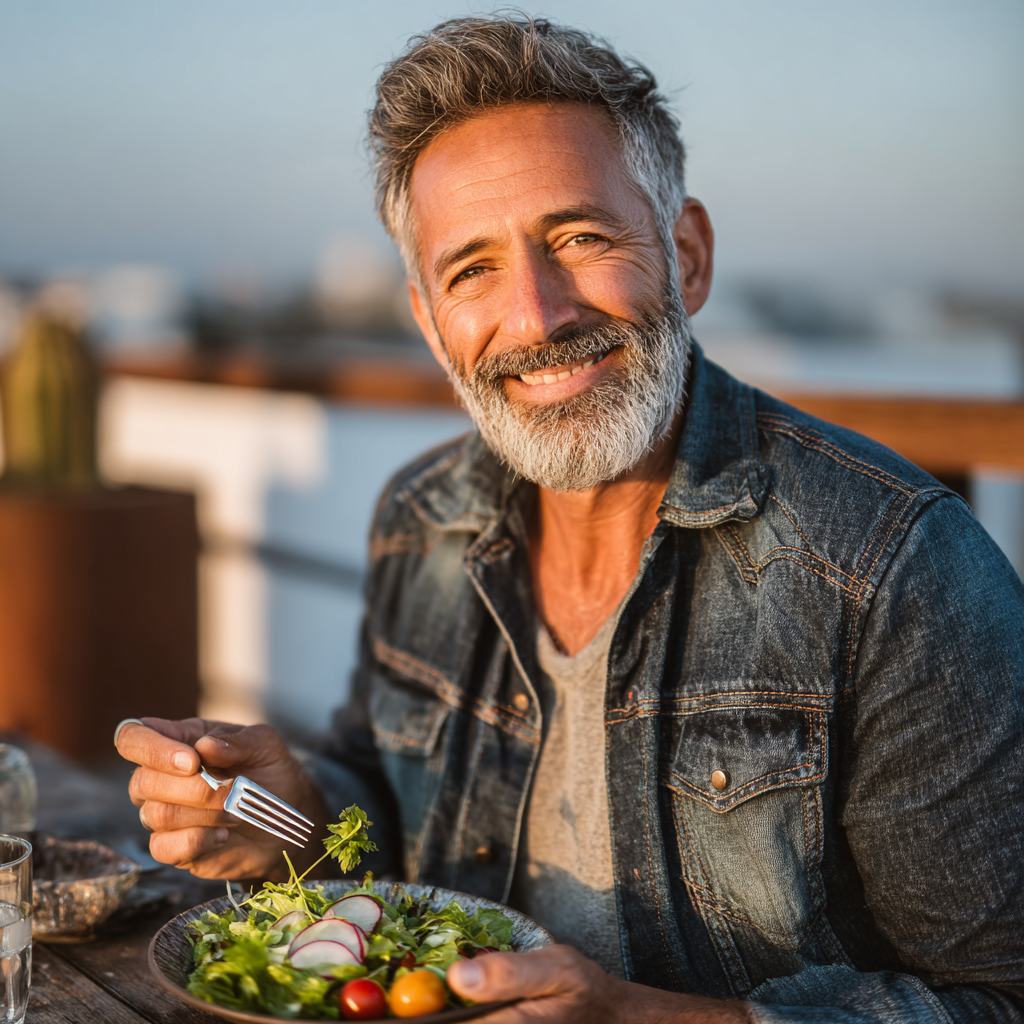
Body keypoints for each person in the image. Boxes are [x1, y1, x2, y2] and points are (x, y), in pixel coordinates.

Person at [116, 16, 1023, 1023]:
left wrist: (635, 1017)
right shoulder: (417, 520)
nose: (538, 315)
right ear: (429, 323)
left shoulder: (894, 568)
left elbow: (999, 994)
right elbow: (397, 802)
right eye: (473, 271)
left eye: (580, 238)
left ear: (686, 255)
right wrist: (302, 812)